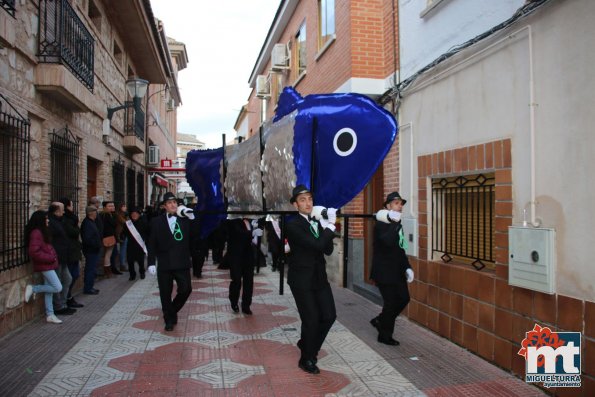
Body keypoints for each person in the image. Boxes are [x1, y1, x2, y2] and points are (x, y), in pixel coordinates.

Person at [285, 185, 338, 374]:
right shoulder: (292, 225)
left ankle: (307, 344)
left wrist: (325, 227)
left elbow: (328, 249)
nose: (307, 203)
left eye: (309, 199)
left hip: (319, 278)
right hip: (301, 279)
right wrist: (330, 227)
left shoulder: (316, 222)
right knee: (312, 319)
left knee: (330, 316)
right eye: (302, 200)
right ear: (295, 204)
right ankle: (306, 358)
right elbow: (316, 245)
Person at [369, 191, 414, 346]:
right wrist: (394, 223)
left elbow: (400, 248)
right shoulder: (381, 224)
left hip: (397, 270)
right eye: (396, 203)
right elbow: (387, 242)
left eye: (401, 203)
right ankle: (384, 335)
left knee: (404, 298)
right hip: (383, 272)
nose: (399, 206)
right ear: (388, 206)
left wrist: (407, 267)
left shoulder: (397, 225)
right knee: (390, 302)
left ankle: (380, 320)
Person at [147, 192, 193, 331]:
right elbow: (151, 243)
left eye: (175, 202)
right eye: (169, 203)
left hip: (181, 262)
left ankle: (171, 311)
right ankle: (168, 319)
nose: (173, 205)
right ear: (164, 206)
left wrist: (192, 217)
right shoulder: (156, 222)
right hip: (165, 263)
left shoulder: (185, 219)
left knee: (186, 289)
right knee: (165, 293)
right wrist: (150, 262)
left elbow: (195, 235)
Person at [24, 210, 63, 324]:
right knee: (57, 287)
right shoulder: (36, 233)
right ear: (40, 220)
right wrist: (50, 258)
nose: (48, 220)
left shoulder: (42, 231)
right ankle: (34, 288)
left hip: (48, 264)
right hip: (45, 265)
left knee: (49, 290)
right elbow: (34, 252)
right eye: (46, 218)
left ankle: (50, 314)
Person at [225, 217, 261, 315]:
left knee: (249, 281)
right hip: (235, 255)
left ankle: (246, 305)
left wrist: (256, 226)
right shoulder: (232, 220)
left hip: (248, 255)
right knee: (236, 280)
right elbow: (238, 233)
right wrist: (252, 233)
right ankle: (234, 302)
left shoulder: (250, 220)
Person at [48, 202, 76, 316]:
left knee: (68, 279)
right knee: (58, 281)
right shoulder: (51, 222)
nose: (64, 212)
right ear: (56, 211)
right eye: (62, 209)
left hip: (64, 256)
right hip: (57, 256)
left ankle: (63, 303)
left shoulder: (61, 221)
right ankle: (58, 306)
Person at [59, 197, 84, 309]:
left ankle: (68, 297)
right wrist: (77, 228)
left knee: (74, 275)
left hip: (73, 251)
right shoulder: (66, 220)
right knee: (70, 276)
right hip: (68, 252)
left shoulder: (71, 219)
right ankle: (66, 298)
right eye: (71, 205)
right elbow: (73, 232)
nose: (73, 207)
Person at [80, 205, 101, 294]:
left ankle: (90, 286)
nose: (96, 213)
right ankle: (88, 288)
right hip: (90, 250)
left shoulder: (92, 222)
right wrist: (95, 245)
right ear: (90, 213)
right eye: (95, 211)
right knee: (90, 269)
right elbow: (87, 238)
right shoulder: (87, 223)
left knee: (92, 269)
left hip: (93, 250)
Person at [125, 206, 148, 280]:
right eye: (132, 214)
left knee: (140, 260)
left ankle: (142, 272)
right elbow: (124, 233)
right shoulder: (128, 224)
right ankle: (132, 275)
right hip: (130, 245)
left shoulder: (143, 223)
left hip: (140, 245)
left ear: (139, 214)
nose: (134, 215)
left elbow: (147, 233)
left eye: (136, 214)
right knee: (130, 261)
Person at [101, 201, 122, 276]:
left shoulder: (110, 215)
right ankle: (107, 270)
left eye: (113, 206)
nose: (112, 207)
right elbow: (113, 224)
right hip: (108, 237)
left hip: (110, 236)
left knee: (111, 253)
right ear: (104, 207)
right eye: (109, 206)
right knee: (108, 254)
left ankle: (109, 269)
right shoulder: (106, 215)